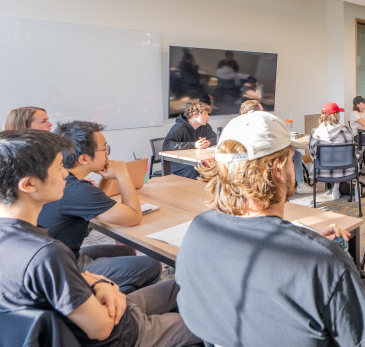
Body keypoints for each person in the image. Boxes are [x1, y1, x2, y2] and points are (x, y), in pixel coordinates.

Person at [175, 112, 365, 347]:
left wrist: (305, 242)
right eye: (292, 158)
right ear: (277, 169)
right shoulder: (324, 263)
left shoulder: (199, 229)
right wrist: (315, 250)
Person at [0, 130, 200, 346]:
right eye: (58, 168)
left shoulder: (20, 240)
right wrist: (107, 286)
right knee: (219, 323)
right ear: (28, 184)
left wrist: (100, 284)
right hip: (124, 334)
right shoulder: (46, 253)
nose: (65, 174)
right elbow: (101, 329)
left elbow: (51, 282)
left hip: (107, 307)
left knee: (183, 285)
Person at [37, 121, 162, 293]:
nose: (108, 155)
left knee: (126, 251)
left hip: (54, 259)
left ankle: (115, 290)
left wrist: (107, 178)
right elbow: (133, 217)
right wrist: (123, 174)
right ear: (84, 158)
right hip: (62, 272)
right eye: (105, 149)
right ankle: (115, 303)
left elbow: (95, 208)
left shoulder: (63, 179)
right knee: (151, 265)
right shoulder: (76, 190)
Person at [232, 99, 313, 194]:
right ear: (255, 111)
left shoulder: (238, 124)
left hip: (248, 157)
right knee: (296, 154)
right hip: (265, 156)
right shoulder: (261, 123)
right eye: (261, 110)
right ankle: (300, 184)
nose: (263, 112)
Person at [309, 102, 355, 200]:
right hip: (346, 170)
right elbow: (350, 150)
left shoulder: (314, 133)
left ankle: (332, 187)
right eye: (338, 113)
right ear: (336, 115)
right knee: (353, 155)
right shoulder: (345, 130)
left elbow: (312, 153)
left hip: (322, 170)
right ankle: (336, 188)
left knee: (322, 158)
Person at [163, 101, 218, 179]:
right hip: (177, 163)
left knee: (215, 166)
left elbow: (215, 137)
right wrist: (194, 145)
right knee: (196, 169)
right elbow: (166, 145)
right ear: (195, 115)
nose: (208, 116)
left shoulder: (205, 126)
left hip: (195, 160)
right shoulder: (179, 127)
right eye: (205, 114)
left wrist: (209, 142)